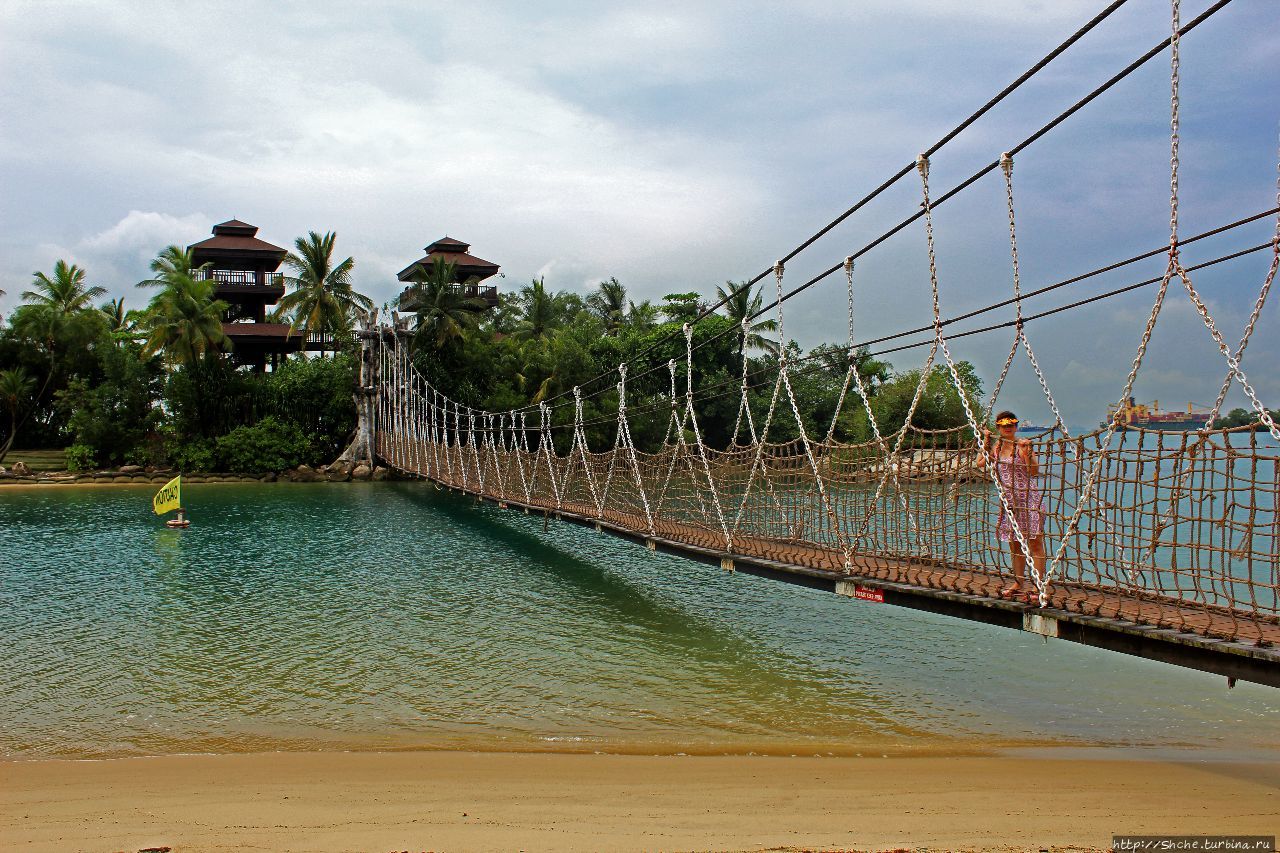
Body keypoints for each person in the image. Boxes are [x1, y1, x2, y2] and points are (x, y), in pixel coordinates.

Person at [976, 410, 1046, 603]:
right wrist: (986, 440)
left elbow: (1033, 471)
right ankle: (1019, 583)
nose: (1008, 429)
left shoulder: (1021, 446)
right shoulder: (997, 448)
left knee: (1035, 543)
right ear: (998, 427)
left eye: (1011, 425)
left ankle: (1038, 586)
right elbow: (980, 463)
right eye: (1004, 426)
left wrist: (1029, 452)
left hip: (1029, 500)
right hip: (1009, 503)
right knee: (1015, 544)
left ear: (1016, 427)